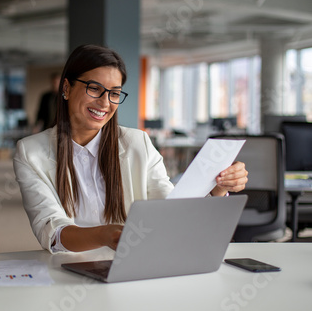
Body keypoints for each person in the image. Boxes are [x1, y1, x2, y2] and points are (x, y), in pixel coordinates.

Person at [13, 44, 248, 253]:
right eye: (94, 88)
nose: (105, 103)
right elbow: (52, 231)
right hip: (66, 268)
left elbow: (170, 207)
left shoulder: (138, 143)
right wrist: (105, 235)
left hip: (131, 262)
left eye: (114, 93)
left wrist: (217, 188)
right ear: (66, 87)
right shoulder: (30, 152)